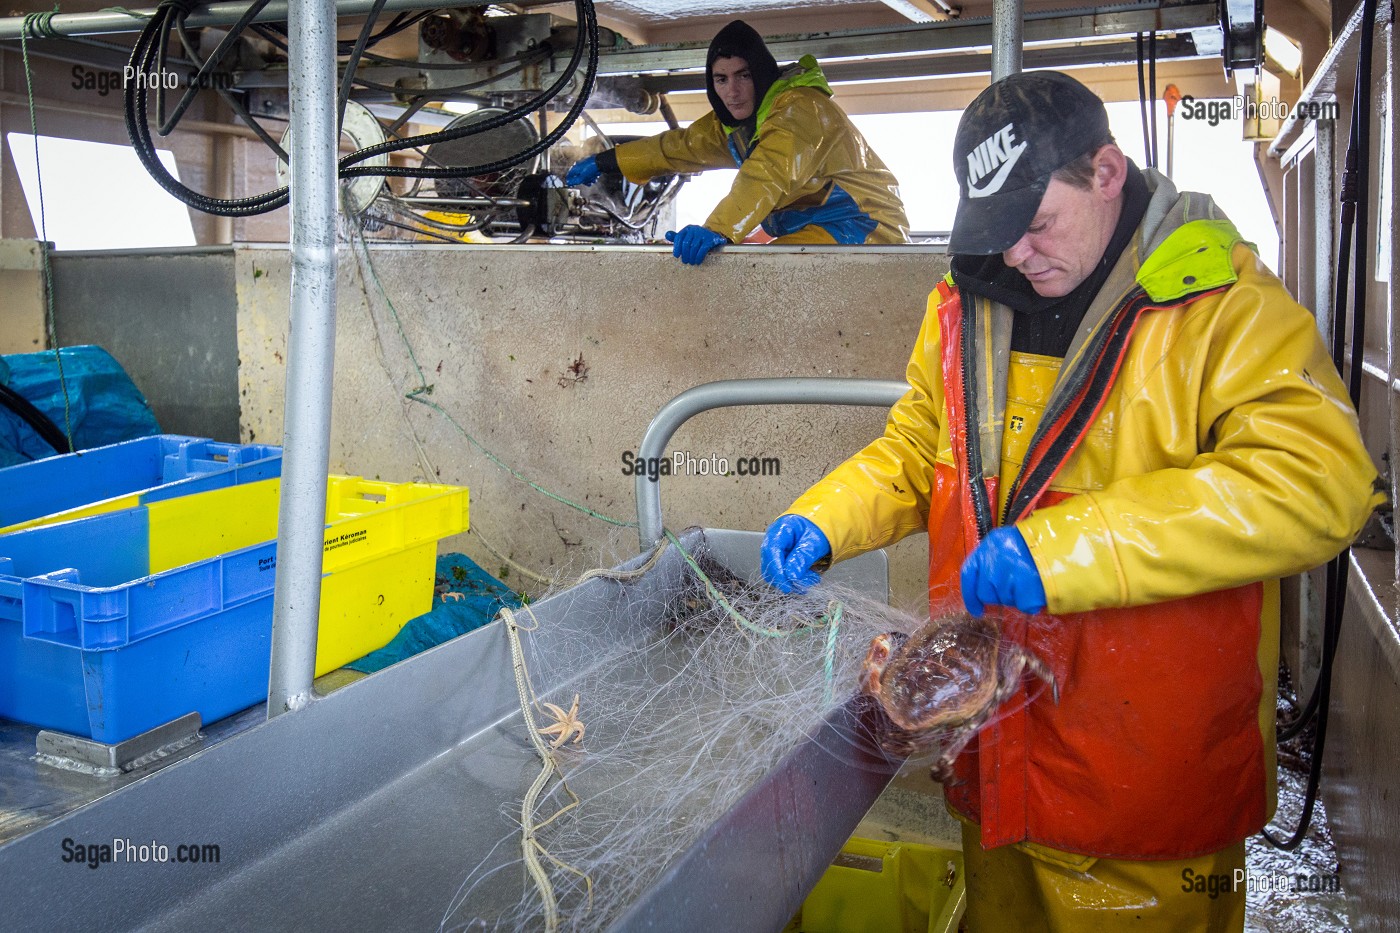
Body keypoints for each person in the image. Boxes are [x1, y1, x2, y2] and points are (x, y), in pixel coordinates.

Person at [760, 70, 1381, 931]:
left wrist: (1064, 548)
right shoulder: (959, 305)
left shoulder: (1224, 305)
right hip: (993, 759)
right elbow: (915, 448)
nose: (1017, 253)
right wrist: (825, 515)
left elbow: (1320, 480)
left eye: (1037, 223)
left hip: (1143, 782)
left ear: (1107, 172)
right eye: (999, 230)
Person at [564, 19, 909, 265]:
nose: (733, 90)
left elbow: (766, 174)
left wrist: (717, 229)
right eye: (721, 79)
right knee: (764, 273)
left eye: (744, 75)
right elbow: (679, 146)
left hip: (865, 227)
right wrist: (606, 161)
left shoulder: (799, 110)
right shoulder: (739, 125)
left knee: (773, 276)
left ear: (760, 73)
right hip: (822, 228)